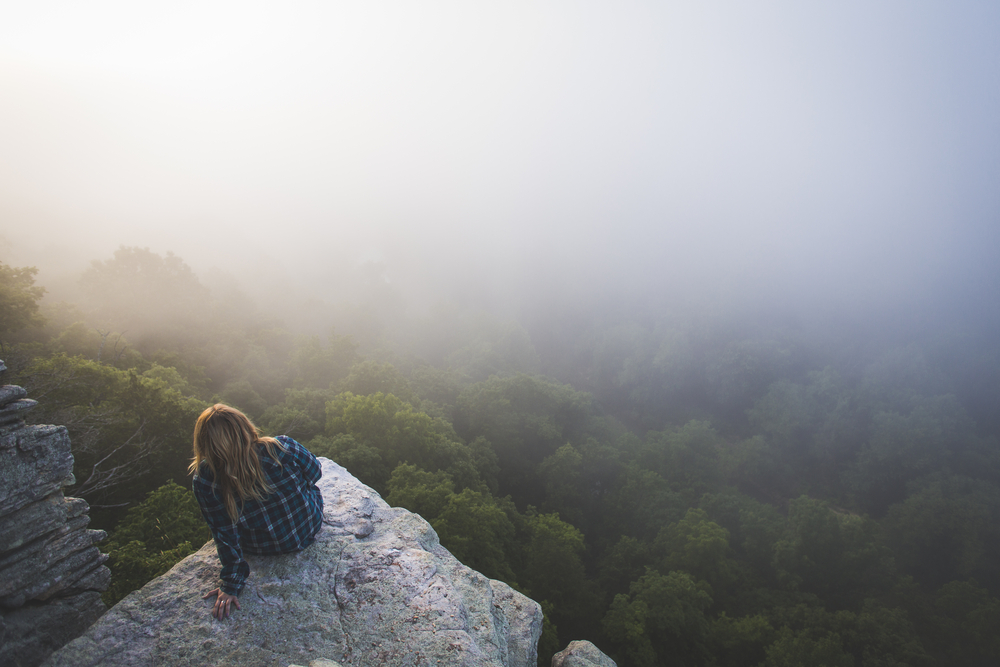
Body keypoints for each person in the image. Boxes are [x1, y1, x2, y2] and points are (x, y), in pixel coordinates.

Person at [189, 404, 324, 620]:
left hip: (262, 545)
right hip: (308, 525)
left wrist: (232, 583)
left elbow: (224, 532)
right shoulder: (281, 446)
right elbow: (315, 472)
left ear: (205, 443)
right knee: (310, 488)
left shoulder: (206, 479)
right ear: (245, 426)